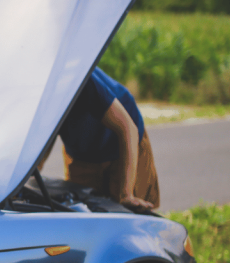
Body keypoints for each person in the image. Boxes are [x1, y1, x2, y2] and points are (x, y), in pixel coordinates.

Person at [56, 67, 159, 211]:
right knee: (82, 212)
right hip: (81, 149)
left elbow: (128, 129)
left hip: (124, 141)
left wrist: (126, 194)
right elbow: (41, 139)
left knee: (129, 211)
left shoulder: (80, 79)